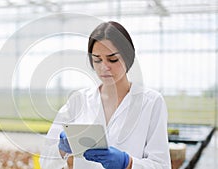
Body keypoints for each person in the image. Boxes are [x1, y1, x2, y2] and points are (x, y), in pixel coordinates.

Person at [40, 21, 171, 169]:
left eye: (112, 59)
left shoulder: (151, 102)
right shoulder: (78, 101)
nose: (104, 67)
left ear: (128, 56)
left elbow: (162, 165)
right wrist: (61, 149)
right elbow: (45, 160)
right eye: (97, 60)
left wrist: (127, 163)